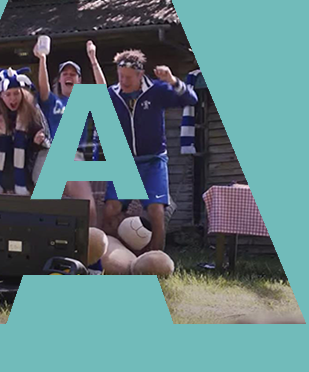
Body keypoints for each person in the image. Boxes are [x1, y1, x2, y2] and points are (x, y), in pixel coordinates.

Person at [102, 49, 198, 254]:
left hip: (153, 160)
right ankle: (115, 256)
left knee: (156, 211)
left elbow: (191, 99)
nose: (123, 82)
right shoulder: (112, 94)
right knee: (111, 210)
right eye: (120, 76)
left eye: (128, 77)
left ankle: (155, 260)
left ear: (140, 75)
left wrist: (172, 80)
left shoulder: (157, 90)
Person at [33, 38, 106, 228]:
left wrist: (93, 59)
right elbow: (43, 88)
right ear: (60, 80)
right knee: (48, 208)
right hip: (50, 155)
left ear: (79, 80)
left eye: (73, 74)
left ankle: (91, 244)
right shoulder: (52, 101)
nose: (69, 76)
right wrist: (42, 59)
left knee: (88, 208)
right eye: (65, 73)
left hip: (74, 157)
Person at [0, 67, 51, 195]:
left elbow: (48, 140)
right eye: (8, 94)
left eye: (16, 93)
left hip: (26, 159)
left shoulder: (33, 110)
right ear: (1, 95)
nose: (13, 99)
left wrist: (36, 141)